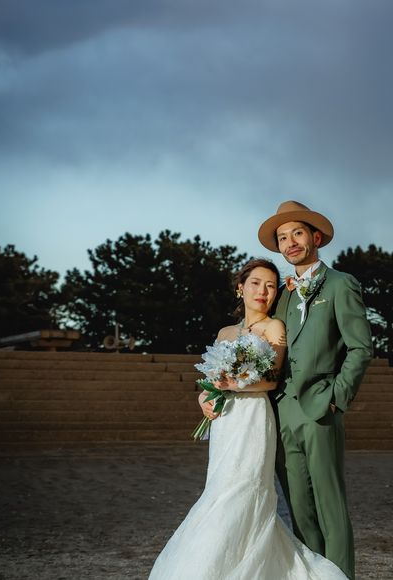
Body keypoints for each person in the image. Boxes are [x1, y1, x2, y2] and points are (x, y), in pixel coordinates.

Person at [149, 258, 348, 580]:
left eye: (270, 286)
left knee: (243, 489)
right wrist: (203, 399)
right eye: (256, 283)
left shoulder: (274, 327)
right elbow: (210, 379)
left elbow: (271, 379)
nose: (263, 291)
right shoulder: (225, 332)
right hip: (225, 420)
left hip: (254, 416)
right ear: (240, 288)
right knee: (219, 488)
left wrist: (234, 383)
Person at [257, 200, 373, 580]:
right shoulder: (281, 295)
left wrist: (337, 397)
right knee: (299, 509)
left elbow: (360, 348)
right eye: (282, 237)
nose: (290, 242)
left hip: (322, 408)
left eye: (297, 233)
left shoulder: (341, 284)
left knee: (330, 507)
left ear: (316, 238)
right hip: (283, 411)